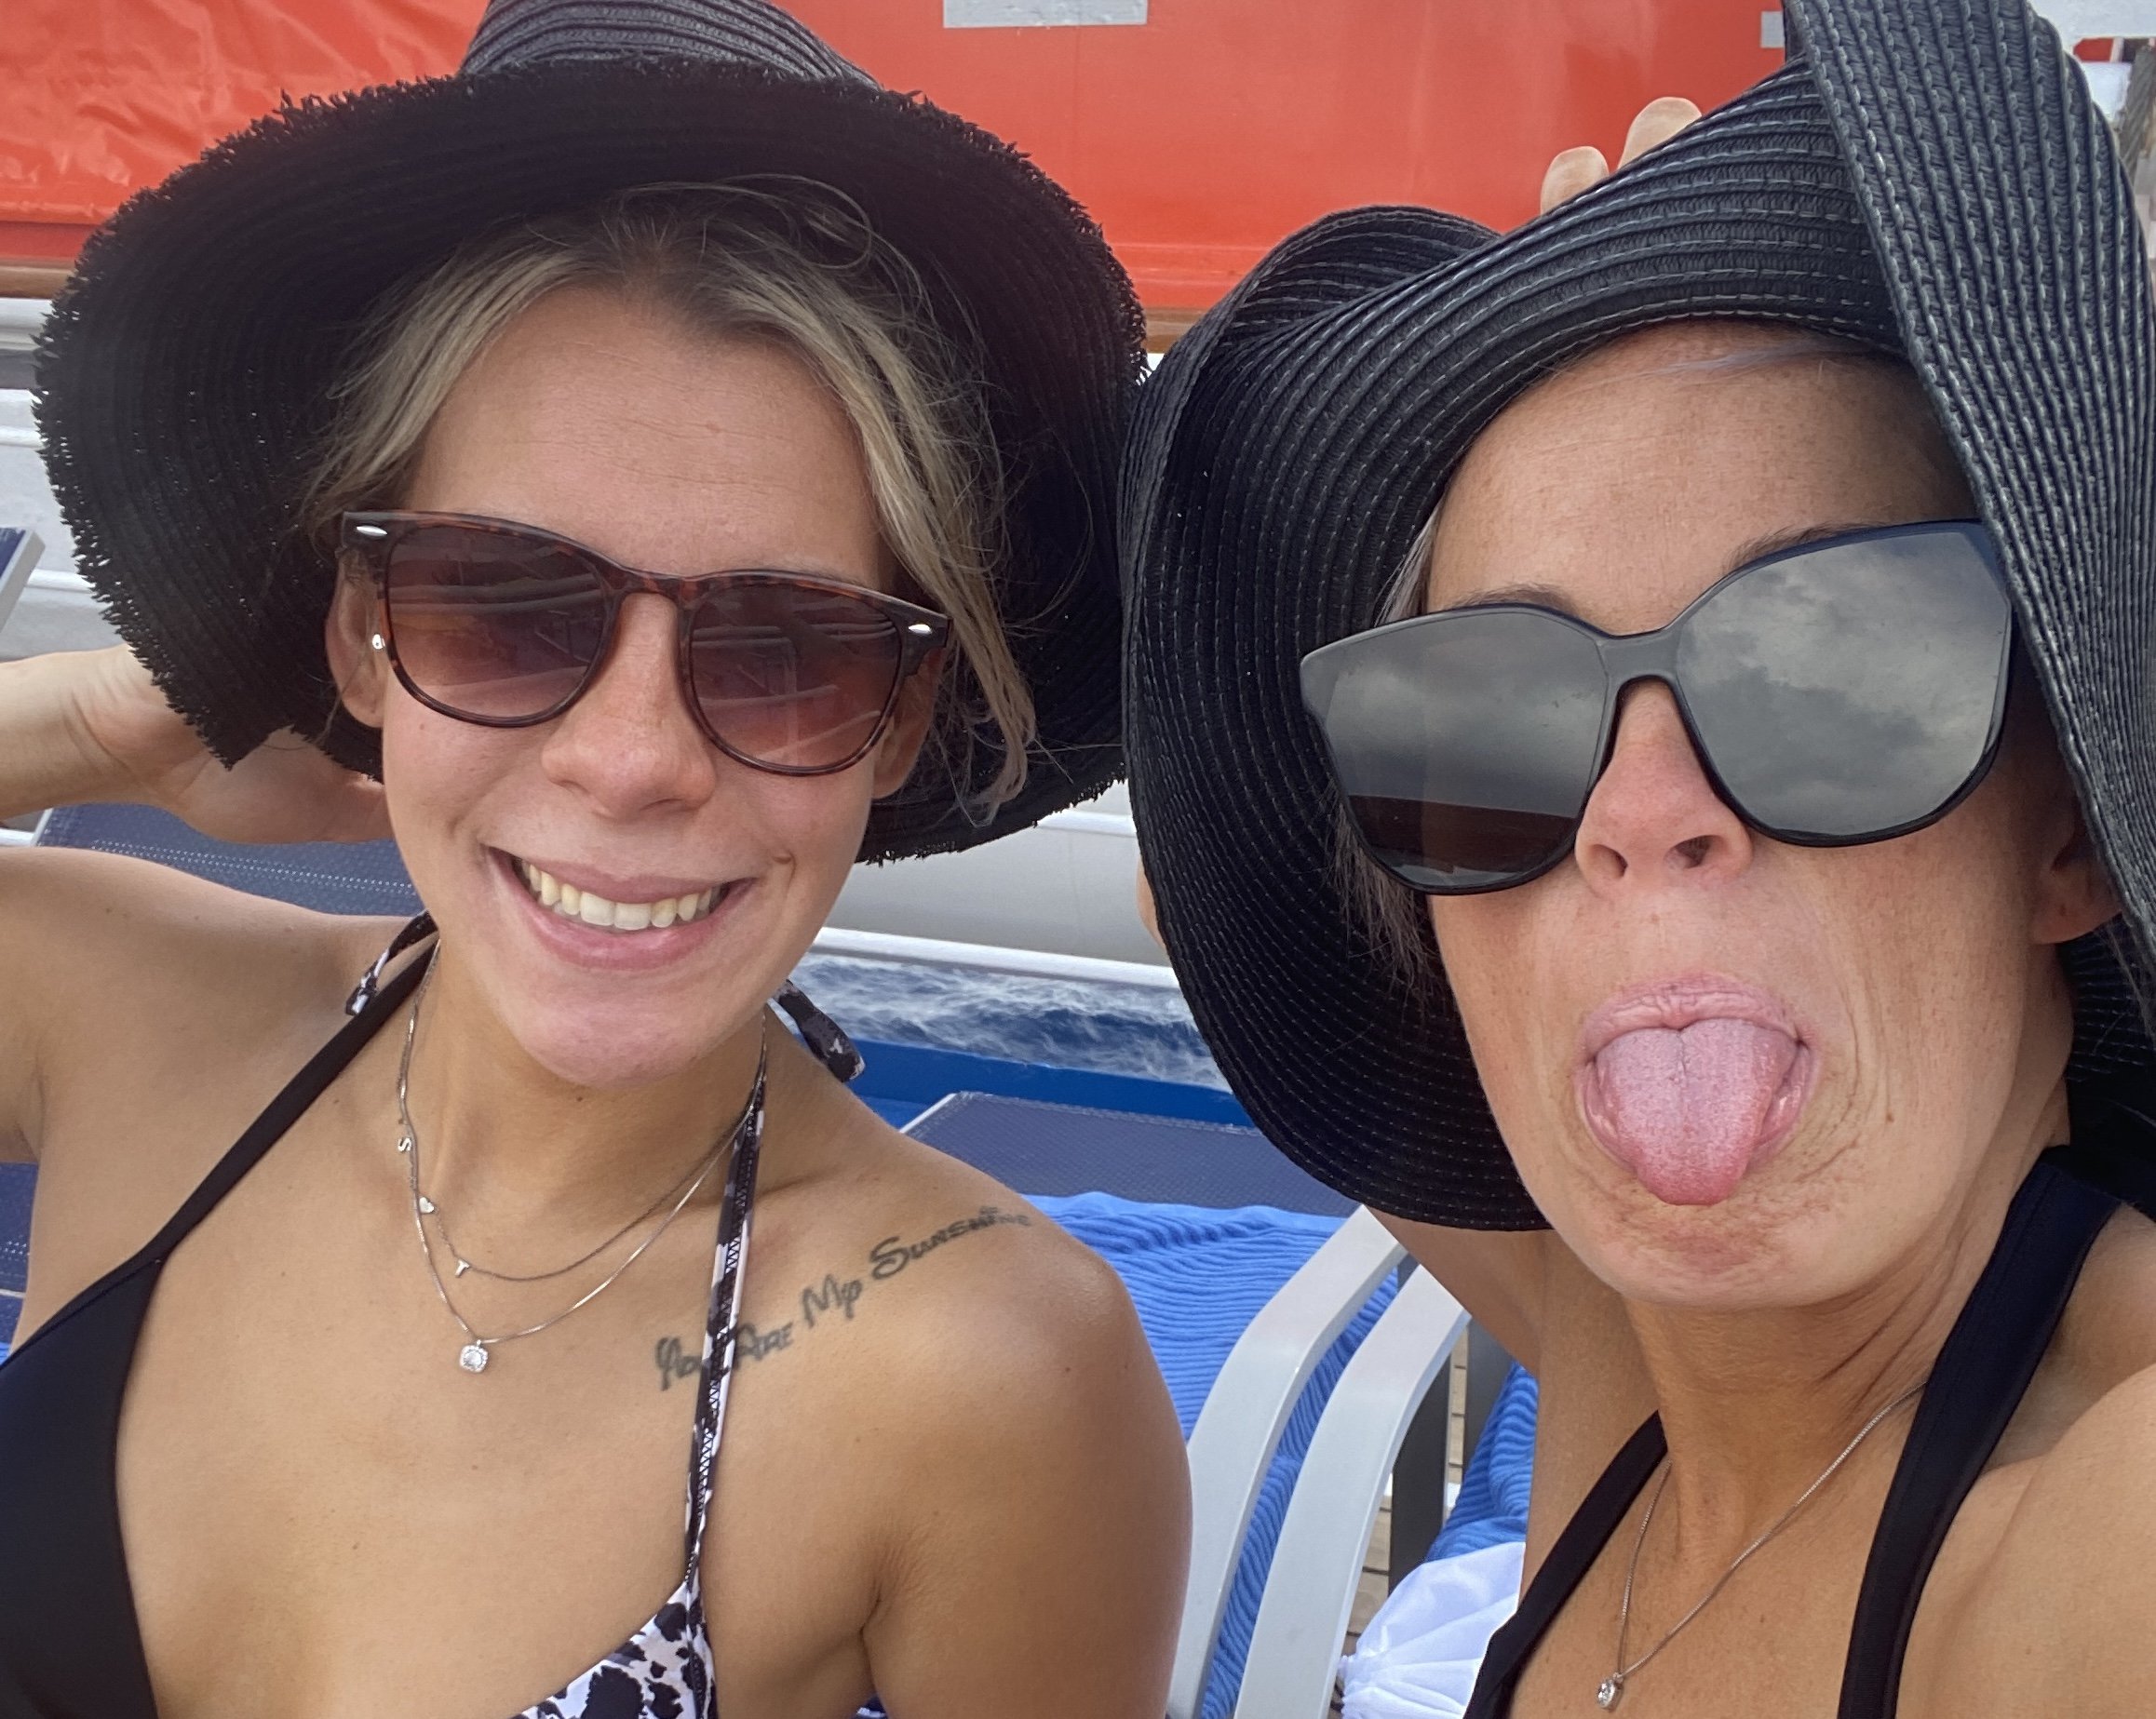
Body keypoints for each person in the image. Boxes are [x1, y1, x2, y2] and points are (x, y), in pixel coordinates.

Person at [0, 4, 1188, 1716]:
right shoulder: (122, 1019)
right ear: (360, 633)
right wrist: (95, 723)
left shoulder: (986, 1369)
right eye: (501, 605)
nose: (631, 759)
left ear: (907, 717)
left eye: (791, 648)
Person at [1122, 1, 2156, 1714]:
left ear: (2069, 833)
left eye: (1831, 662)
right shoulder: (1644, 1361)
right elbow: (1199, 878)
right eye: (1494, 717)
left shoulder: (2106, 1536)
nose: (1636, 805)